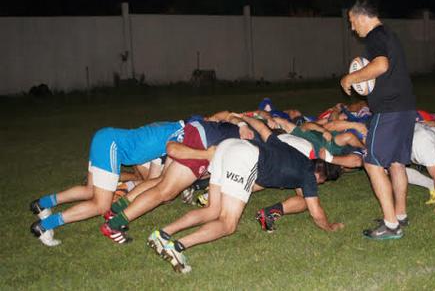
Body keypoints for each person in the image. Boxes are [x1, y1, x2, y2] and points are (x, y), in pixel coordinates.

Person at [146, 115, 344, 273]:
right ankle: (177, 247)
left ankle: (162, 234)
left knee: (212, 209)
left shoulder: (293, 151)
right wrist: (330, 227)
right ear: (321, 176)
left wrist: (243, 118)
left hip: (227, 146)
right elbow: (316, 213)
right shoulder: (309, 176)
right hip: (244, 158)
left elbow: (263, 128)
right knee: (228, 223)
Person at [29, 120, 185, 246]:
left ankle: (42, 204)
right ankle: (44, 226)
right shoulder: (181, 138)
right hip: (112, 145)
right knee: (101, 205)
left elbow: (153, 178)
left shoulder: (172, 129)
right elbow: (161, 180)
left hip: (104, 138)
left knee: (90, 190)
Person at [100, 116, 253, 244]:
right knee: (165, 191)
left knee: (161, 182)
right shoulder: (258, 133)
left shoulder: (247, 124)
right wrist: (243, 125)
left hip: (194, 131)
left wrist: (242, 123)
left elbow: (232, 116)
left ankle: (114, 210)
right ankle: (114, 224)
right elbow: (232, 116)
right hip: (205, 140)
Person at [340, 0, 416, 240]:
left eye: (353, 22)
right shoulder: (388, 35)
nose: (353, 28)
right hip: (405, 107)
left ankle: (391, 225)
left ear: (363, 18)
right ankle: (400, 215)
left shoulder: (374, 35)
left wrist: (351, 78)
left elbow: (381, 65)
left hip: (390, 111)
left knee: (372, 163)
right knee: (396, 163)